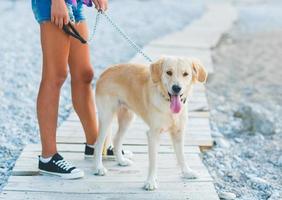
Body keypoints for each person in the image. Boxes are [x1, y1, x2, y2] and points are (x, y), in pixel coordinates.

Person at [31, 0, 108, 179]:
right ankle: (48, 157)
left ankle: (94, 144)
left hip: (74, 3)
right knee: (55, 75)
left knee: (84, 74)